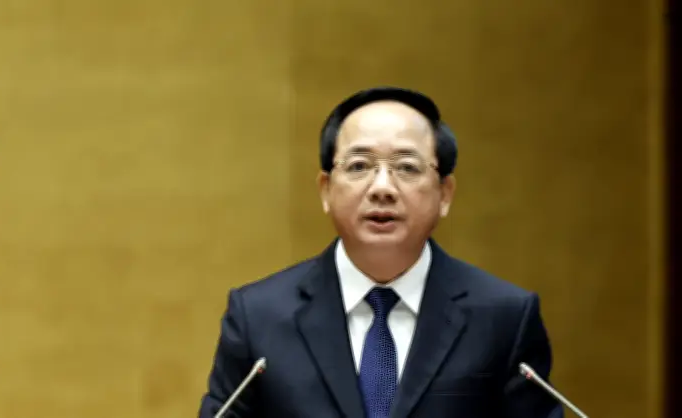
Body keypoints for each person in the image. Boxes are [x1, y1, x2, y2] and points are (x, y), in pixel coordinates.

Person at [198, 87, 564, 418]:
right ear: (326, 190)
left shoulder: (504, 317)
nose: (382, 188)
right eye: (359, 166)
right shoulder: (258, 317)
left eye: (406, 167)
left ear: (444, 194)